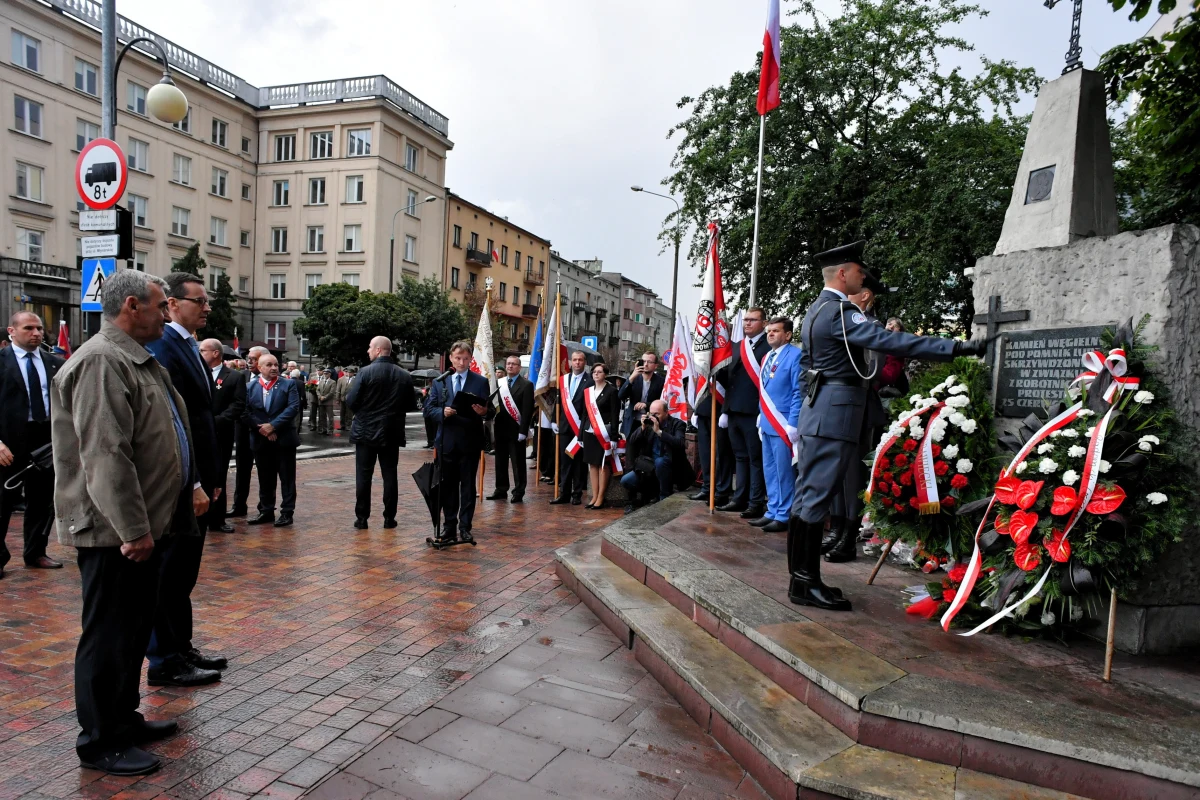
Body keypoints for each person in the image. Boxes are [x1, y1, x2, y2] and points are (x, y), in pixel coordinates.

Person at [53, 270, 205, 776]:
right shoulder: (102, 361)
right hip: (113, 532)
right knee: (108, 635)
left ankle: (123, 719)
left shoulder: (137, 360)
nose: (168, 314)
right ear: (132, 307)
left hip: (141, 528)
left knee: (132, 630)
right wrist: (133, 529)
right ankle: (101, 741)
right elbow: (105, 455)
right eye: (162, 306)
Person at [789, 241, 986, 611]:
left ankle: (803, 580)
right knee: (815, 499)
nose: (865, 279)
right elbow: (888, 340)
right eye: (860, 272)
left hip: (821, 412)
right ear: (844, 273)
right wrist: (956, 348)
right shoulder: (840, 312)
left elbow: (806, 370)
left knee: (807, 497)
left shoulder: (817, 310)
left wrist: (808, 410)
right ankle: (804, 583)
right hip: (836, 414)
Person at [144, 273, 225, 688]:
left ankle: (182, 645)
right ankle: (164, 659)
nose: (207, 307)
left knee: (185, 572)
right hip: (181, 479)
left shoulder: (187, 344)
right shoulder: (163, 346)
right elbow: (175, 423)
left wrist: (210, 477)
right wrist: (192, 480)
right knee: (171, 572)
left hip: (200, 475)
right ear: (173, 304)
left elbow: (200, 416)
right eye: (199, 301)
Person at [0, 311, 65, 577]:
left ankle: (36, 551)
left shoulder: (55, 363)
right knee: (3, 501)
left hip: (46, 441)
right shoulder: (1, 362)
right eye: (29, 328)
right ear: (11, 331)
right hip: (9, 442)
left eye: (39, 329)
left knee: (42, 501)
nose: (37, 333)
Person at [346, 336, 416, 529]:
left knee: (363, 476)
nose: (367, 351)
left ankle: (362, 518)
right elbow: (411, 404)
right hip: (391, 432)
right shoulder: (403, 375)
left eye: (370, 347)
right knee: (390, 475)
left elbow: (351, 401)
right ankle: (389, 518)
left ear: (378, 350)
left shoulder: (365, 372)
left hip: (365, 432)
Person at [423, 341, 489, 542]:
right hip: (447, 442)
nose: (461, 362)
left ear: (471, 360)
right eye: (458, 358)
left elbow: (490, 408)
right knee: (448, 487)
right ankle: (449, 526)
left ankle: (465, 527)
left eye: (465, 359)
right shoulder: (441, 381)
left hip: (469, 441)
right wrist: (441, 412)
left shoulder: (480, 381)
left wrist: (484, 411)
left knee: (468, 487)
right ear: (451, 358)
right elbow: (428, 409)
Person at [715, 308, 769, 519]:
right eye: (745, 319)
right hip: (734, 410)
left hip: (755, 411)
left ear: (763, 323)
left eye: (752, 320)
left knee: (756, 458)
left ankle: (755, 501)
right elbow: (728, 380)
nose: (747, 323)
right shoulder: (736, 347)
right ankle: (739, 498)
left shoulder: (768, 346)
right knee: (740, 457)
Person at [752, 317, 804, 533]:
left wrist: (793, 423)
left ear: (788, 335)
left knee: (784, 471)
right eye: (769, 331)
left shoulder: (796, 356)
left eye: (775, 331)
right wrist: (760, 414)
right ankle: (772, 510)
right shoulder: (766, 357)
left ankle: (784, 514)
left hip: (783, 423)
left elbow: (797, 391)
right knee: (770, 470)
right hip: (767, 421)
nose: (770, 334)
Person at [244, 354, 302, 527]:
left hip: (284, 440)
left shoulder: (288, 384)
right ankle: (266, 510)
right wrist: (262, 429)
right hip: (261, 440)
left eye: (276, 364)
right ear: (260, 367)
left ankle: (287, 512)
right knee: (265, 477)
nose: (274, 367)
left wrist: (273, 426)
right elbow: (245, 411)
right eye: (269, 365)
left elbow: (293, 407)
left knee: (287, 477)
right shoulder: (250, 387)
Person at [201, 338, 246, 534]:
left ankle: (218, 519)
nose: (199, 354)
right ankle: (200, 516)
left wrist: (216, 421)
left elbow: (237, 405)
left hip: (221, 432)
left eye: (203, 351)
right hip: (199, 432)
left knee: (219, 475)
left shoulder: (234, 377)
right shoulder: (197, 373)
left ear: (215, 353)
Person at [621, 399, 689, 513]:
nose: (654, 417)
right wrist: (642, 428)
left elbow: (680, 443)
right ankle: (651, 493)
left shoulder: (677, 424)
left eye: (657, 414)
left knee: (661, 462)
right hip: (649, 467)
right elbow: (632, 441)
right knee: (626, 481)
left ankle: (664, 496)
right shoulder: (648, 425)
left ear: (667, 412)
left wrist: (659, 432)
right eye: (651, 414)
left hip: (670, 468)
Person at [488, 355, 535, 503]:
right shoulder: (499, 383)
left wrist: (523, 431)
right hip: (501, 428)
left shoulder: (526, 385)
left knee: (518, 463)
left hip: (516, 430)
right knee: (500, 461)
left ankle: (519, 491)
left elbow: (527, 411)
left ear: (519, 367)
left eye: (513, 364)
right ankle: (501, 489)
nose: (510, 366)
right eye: (508, 364)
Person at [549, 350, 593, 505]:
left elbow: (590, 406)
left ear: (584, 362)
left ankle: (577, 494)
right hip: (565, 426)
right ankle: (564, 493)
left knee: (578, 462)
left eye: (580, 360)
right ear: (570, 362)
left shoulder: (590, 381)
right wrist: (554, 419)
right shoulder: (563, 380)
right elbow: (558, 400)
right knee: (564, 461)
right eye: (574, 360)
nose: (577, 363)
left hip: (580, 427)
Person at [230, 346, 268, 517]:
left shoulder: (273, 378)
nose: (249, 361)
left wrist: (263, 427)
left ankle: (265, 506)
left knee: (264, 470)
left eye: (254, 358)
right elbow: (238, 404)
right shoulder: (241, 377)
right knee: (242, 469)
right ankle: (239, 505)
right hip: (244, 429)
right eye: (248, 357)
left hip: (264, 432)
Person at [578, 362, 620, 509]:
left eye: (600, 372)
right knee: (592, 464)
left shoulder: (612, 391)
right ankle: (594, 496)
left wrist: (614, 437)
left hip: (604, 433)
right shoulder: (588, 391)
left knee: (603, 464)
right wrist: (580, 435)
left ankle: (601, 497)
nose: (596, 374)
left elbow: (615, 415)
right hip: (589, 432)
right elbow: (584, 414)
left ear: (605, 374)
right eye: (594, 372)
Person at [690, 385, 732, 507]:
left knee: (721, 453)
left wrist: (725, 410)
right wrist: (697, 409)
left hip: (720, 407)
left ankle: (721, 490)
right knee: (705, 453)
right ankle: (707, 487)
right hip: (704, 408)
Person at [618, 351, 663, 440]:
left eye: (649, 362)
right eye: (643, 361)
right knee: (630, 451)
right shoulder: (634, 378)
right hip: (632, 422)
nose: (645, 364)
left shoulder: (660, 381)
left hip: (650, 422)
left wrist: (647, 404)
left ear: (655, 366)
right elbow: (621, 395)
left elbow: (662, 402)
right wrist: (631, 378)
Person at [315, 369, 336, 434]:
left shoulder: (333, 382)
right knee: (321, 416)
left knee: (330, 417)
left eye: (326, 373)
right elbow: (317, 390)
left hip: (328, 401)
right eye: (324, 373)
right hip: (321, 401)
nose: (325, 375)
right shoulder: (321, 381)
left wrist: (324, 397)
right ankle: (323, 429)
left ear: (329, 374)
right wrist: (319, 396)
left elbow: (332, 392)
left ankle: (330, 430)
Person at [337, 367, 355, 436]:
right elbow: (338, 390)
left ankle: (348, 425)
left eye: (350, 372)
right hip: (342, 398)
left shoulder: (355, 380)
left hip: (350, 399)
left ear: (353, 373)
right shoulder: (341, 379)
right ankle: (342, 425)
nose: (348, 374)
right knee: (342, 412)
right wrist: (337, 399)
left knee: (349, 412)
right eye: (348, 372)